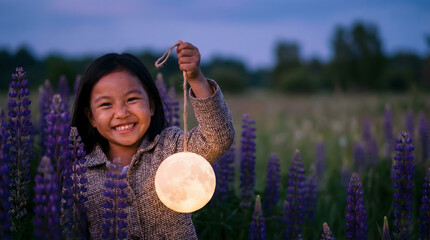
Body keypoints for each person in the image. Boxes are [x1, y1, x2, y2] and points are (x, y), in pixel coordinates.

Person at [70, 40, 235, 239]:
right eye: (106, 104)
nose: (121, 113)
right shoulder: (80, 175)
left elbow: (218, 138)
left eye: (132, 99)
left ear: (152, 106)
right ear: (91, 117)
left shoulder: (170, 148)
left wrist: (196, 79)